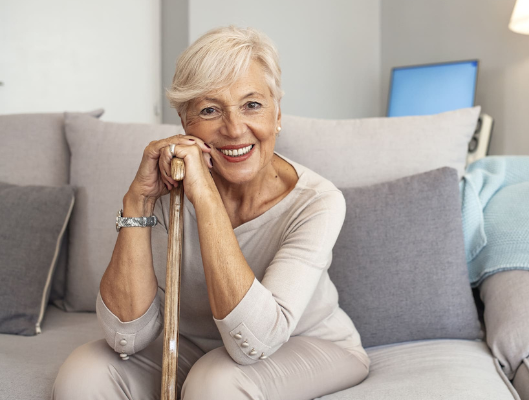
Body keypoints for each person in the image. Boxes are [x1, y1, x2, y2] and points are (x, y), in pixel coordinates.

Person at [53, 25, 370, 399]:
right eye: (210, 110)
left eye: (252, 104)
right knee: (83, 372)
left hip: (305, 344)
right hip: (192, 346)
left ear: (277, 114)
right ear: (186, 124)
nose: (235, 129)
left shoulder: (317, 201)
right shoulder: (167, 189)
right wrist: (138, 201)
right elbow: (127, 337)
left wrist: (205, 198)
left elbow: (253, 342)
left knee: (215, 382)